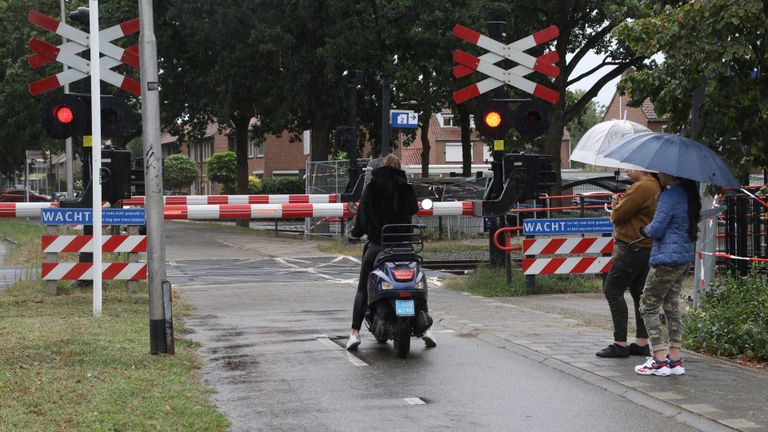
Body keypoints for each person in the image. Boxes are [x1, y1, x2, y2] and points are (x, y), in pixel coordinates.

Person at [345, 154, 436, 350]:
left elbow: (361, 221)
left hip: (378, 246)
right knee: (417, 283)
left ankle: (354, 333)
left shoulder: (371, 188)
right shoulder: (406, 187)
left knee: (362, 288)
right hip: (404, 246)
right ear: (399, 168)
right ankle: (427, 330)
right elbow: (413, 209)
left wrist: (355, 232)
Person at [634, 173, 701, 376]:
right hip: (683, 257)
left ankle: (659, 360)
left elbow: (657, 229)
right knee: (671, 305)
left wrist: (644, 229)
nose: (658, 175)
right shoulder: (690, 194)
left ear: (671, 174)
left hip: (666, 259)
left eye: (660, 172)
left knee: (648, 305)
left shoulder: (670, 196)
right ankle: (675, 358)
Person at [596, 169, 660, 358]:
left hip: (630, 246)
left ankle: (620, 343)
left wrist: (617, 207)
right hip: (646, 246)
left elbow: (618, 216)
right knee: (639, 293)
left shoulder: (641, 187)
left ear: (641, 168)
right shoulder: (656, 186)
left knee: (612, 290)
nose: (626, 169)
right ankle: (642, 342)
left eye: (630, 166)